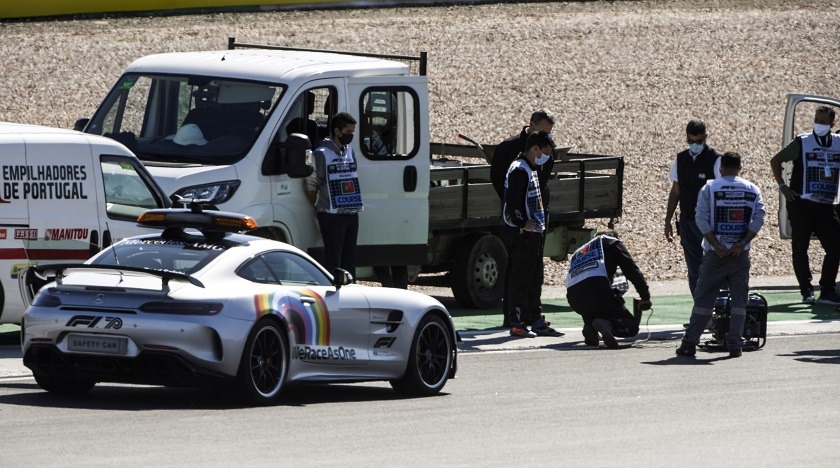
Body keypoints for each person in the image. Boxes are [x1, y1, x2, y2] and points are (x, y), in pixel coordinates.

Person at [676, 152, 765, 358]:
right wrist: (742, 243)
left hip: (716, 254)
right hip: (739, 255)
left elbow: (701, 218)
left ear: (722, 167)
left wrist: (716, 244)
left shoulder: (709, 187)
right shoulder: (752, 189)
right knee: (739, 301)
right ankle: (735, 343)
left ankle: (690, 343)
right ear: (739, 167)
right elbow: (759, 218)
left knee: (704, 299)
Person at [770, 105, 840, 305]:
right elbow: (776, 160)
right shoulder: (803, 141)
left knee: (835, 246)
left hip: (827, 206)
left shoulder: (837, 143)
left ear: (832, 123)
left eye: (824, 121)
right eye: (817, 120)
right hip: (801, 204)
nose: (819, 124)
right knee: (800, 247)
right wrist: (782, 186)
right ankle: (806, 289)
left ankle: (827, 289)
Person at [491, 110, 555, 327]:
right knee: (516, 268)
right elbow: (499, 179)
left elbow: (542, 181)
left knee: (535, 267)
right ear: (532, 125)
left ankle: (531, 314)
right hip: (518, 220)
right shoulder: (510, 150)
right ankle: (513, 315)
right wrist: (516, 212)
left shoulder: (546, 153)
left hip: (536, 216)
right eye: (544, 132)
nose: (548, 138)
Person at [503, 130, 562, 337]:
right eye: (545, 152)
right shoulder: (519, 169)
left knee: (535, 277)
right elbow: (512, 203)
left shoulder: (532, 168)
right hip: (523, 234)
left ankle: (534, 318)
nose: (547, 157)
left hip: (535, 233)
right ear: (535, 149)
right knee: (521, 278)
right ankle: (517, 321)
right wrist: (521, 223)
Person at [664, 120, 722, 297]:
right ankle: (699, 311)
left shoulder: (716, 160)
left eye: (698, 142)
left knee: (713, 266)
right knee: (694, 268)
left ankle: (718, 308)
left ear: (706, 138)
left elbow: (722, 192)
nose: (694, 146)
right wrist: (667, 220)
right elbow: (675, 191)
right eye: (690, 142)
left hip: (708, 223)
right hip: (687, 221)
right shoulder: (681, 159)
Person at [565, 234, 652, 349]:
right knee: (631, 328)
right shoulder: (612, 242)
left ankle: (590, 325)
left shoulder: (579, 252)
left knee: (591, 300)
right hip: (598, 289)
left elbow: (582, 282)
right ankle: (606, 325)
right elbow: (632, 271)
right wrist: (645, 296)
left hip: (574, 298)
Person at [305, 112, 363, 279]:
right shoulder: (321, 153)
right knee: (333, 263)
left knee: (350, 261)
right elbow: (311, 185)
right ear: (337, 131)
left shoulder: (350, 151)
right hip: (331, 216)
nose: (351, 135)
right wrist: (320, 207)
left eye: (353, 132)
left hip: (351, 213)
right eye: (348, 132)